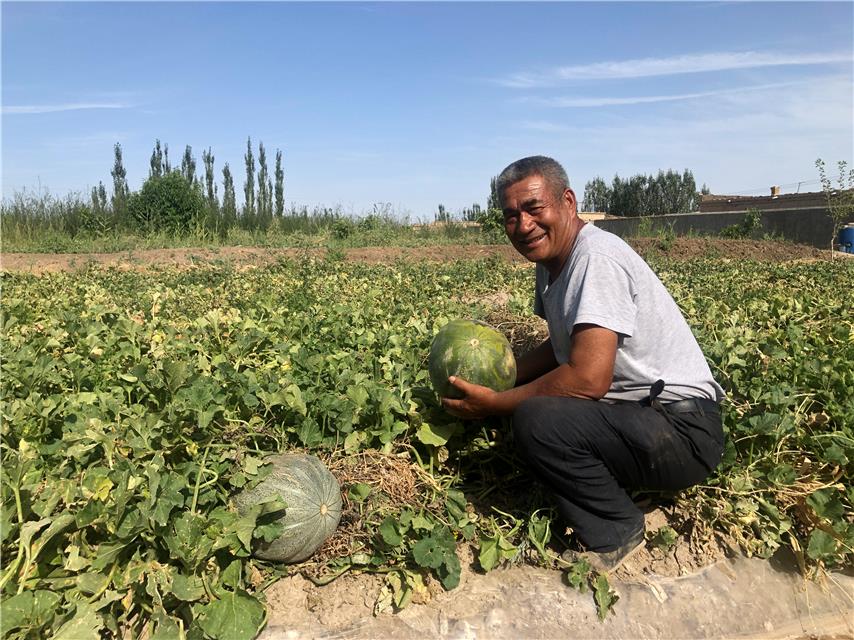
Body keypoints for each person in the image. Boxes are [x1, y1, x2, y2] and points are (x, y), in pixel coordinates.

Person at [442, 155, 725, 572]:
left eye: (534, 209)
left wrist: (495, 403)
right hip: (645, 421)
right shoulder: (552, 260)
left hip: (683, 433)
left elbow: (588, 379)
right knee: (532, 403)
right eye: (510, 216)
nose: (523, 226)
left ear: (568, 203)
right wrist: (502, 379)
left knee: (538, 419)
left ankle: (616, 528)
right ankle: (625, 484)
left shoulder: (596, 258)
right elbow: (560, 347)